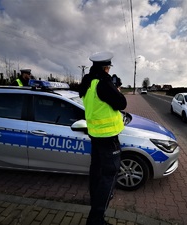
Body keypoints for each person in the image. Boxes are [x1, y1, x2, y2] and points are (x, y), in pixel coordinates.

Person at [79, 51, 127, 225]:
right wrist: (116, 90)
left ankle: (95, 204)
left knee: (97, 173)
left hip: (95, 134)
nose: (108, 70)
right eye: (108, 67)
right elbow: (122, 103)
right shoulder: (104, 83)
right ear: (105, 68)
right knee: (109, 175)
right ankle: (96, 218)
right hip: (108, 137)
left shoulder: (87, 83)